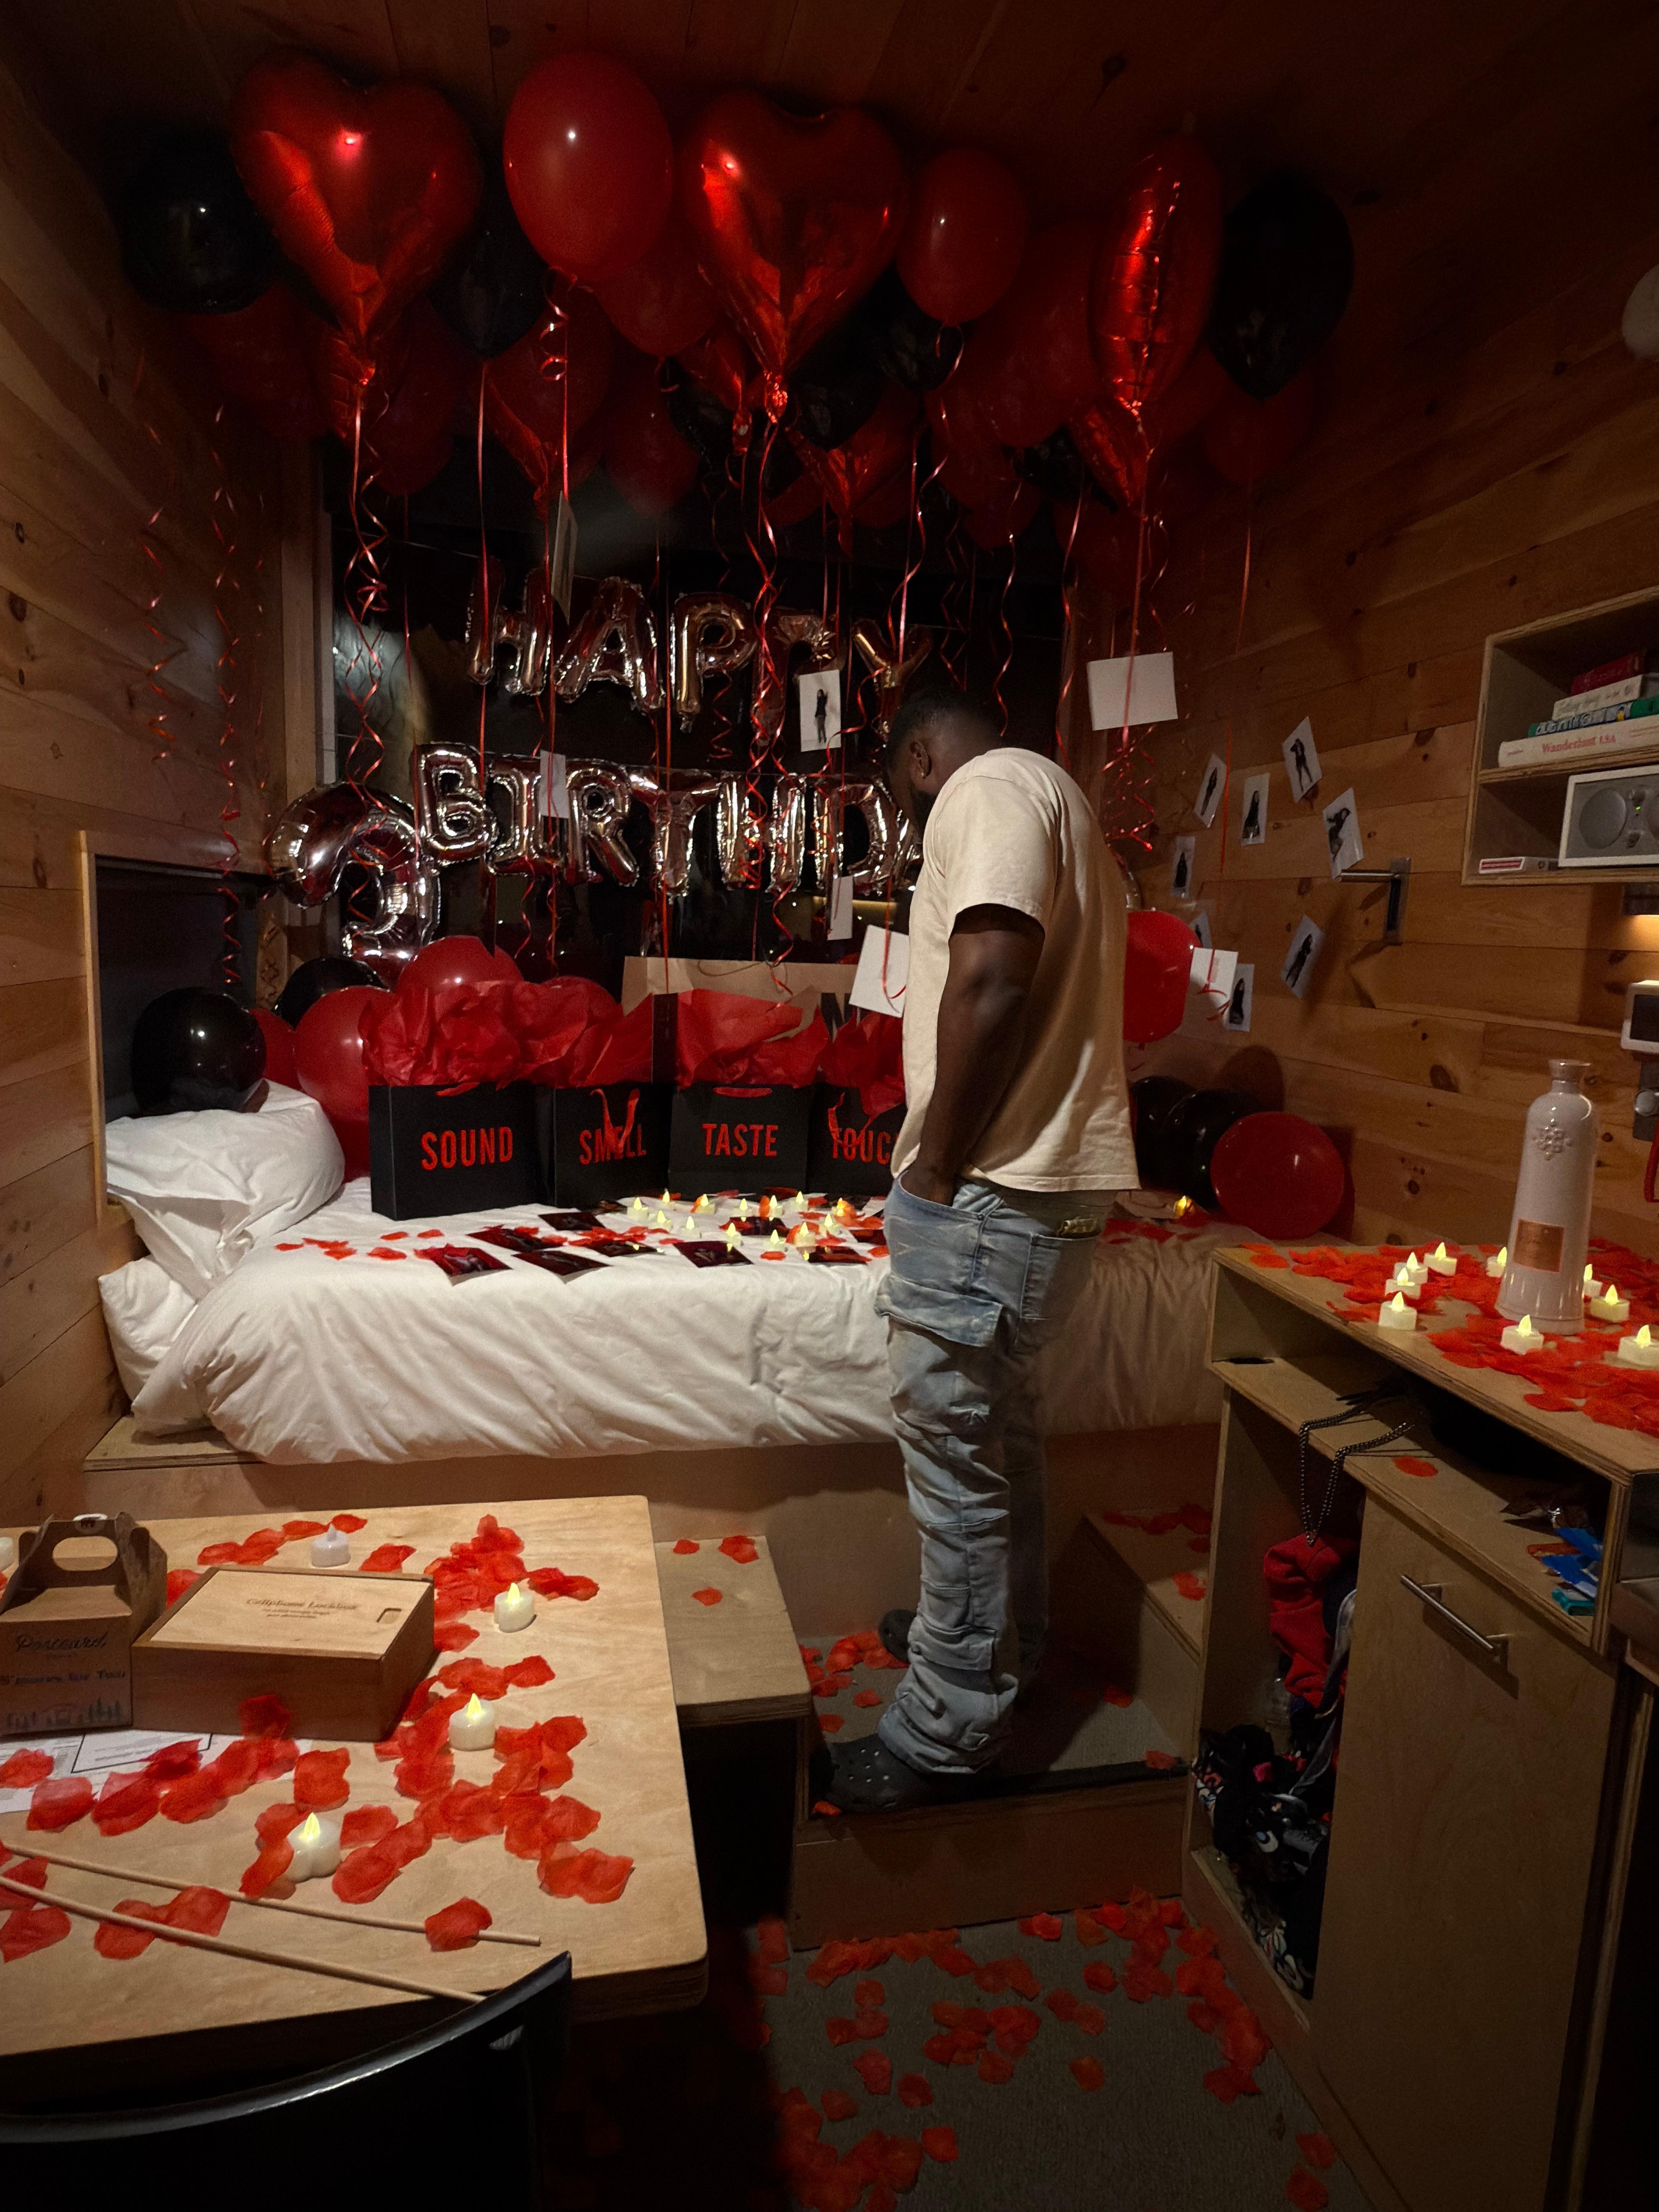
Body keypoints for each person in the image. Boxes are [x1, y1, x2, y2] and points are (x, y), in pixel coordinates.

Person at [826, 685, 1136, 1811]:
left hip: (990, 1192)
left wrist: (934, 1165)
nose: (913, 822)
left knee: (956, 1463)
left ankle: (947, 1731)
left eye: (904, 798)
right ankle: (1002, 1641)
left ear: (918, 759)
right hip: (1044, 1194)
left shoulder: (987, 788)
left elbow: (993, 978)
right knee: (1000, 1438)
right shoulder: (1063, 803)